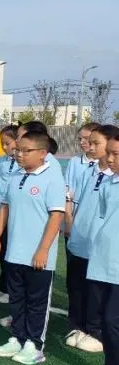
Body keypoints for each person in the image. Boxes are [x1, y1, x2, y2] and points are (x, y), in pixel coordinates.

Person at [0, 130, 66, 365]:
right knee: (17, 298)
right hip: (14, 252)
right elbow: (5, 208)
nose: (19, 154)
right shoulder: (15, 176)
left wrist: (43, 249)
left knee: (36, 302)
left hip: (38, 256)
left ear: (42, 153)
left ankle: (34, 345)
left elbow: (56, 216)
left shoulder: (52, 178)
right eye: (18, 150)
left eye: (25, 150)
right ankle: (17, 338)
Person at [64, 124, 113, 353]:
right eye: (89, 142)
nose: (90, 147)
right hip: (79, 240)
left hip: (99, 245)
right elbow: (75, 201)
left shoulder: (115, 177)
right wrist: (71, 225)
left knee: (97, 291)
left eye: (96, 143)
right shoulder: (88, 171)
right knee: (76, 286)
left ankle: (97, 332)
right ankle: (78, 326)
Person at [82, 127, 119, 365]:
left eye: (116, 154)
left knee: (113, 320)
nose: (111, 159)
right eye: (111, 154)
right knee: (105, 321)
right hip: (103, 261)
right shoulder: (109, 184)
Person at [0, 125, 19, 304]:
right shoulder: (1, 161)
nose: (4, 147)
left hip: (15, 215)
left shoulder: (23, 162)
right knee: (2, 251)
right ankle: (3, 287)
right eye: (2, 143)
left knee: (11, 253)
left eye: (8, 143)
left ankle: (11, 290)